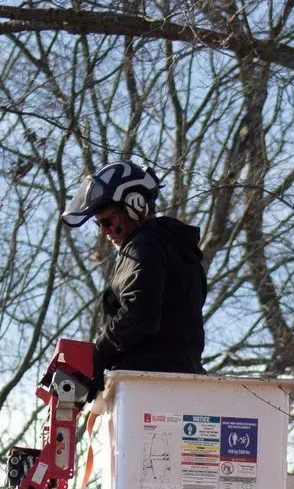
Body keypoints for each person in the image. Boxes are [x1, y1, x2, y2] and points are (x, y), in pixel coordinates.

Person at [60, 160, 208, 376]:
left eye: (107, 222)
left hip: (146, 381)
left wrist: (97, 355)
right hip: (178, 376)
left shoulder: (144, 246)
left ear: (135, 205)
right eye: (99, 224)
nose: (105, 232)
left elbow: (139, 314)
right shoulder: (179, 249)